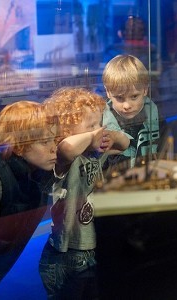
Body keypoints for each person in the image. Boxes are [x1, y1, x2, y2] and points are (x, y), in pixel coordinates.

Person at [38, 87, 129, 300]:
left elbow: (125, 143)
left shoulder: (95, 152)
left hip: (91, 249)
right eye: (91, 126)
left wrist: (108, 135)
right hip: (66, 253)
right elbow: (67, 148)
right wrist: (92, 136)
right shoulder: (64, 157)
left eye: (99, 124)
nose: (98, 130)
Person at [0, 101, 57, 300]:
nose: (54, 148)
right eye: (45, 141)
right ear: (19, 147)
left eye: (54, 140)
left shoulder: (36, 172)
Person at [102, 54, 167, 168]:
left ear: (145, 90)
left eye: (134, 97)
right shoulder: (100, 125)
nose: (127, 106)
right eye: (119, 98)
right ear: (108, 92)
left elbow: (163, 160)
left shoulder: (157, 121)